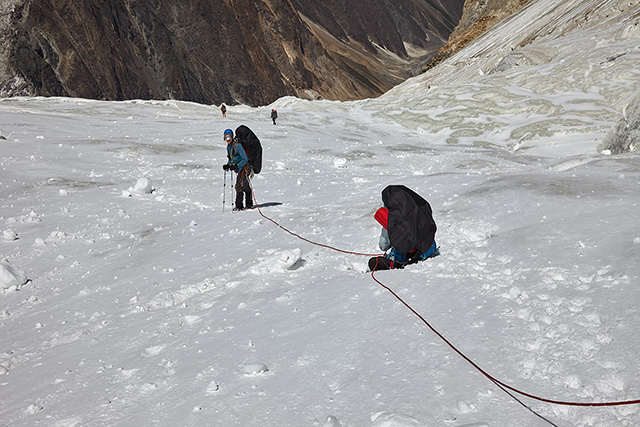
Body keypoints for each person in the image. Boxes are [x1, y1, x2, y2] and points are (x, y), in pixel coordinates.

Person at [368, 185, 439, 271]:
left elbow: (384, 245)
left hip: (408, 257)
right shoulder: (421, 207)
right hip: (428, 249)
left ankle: (396, 264)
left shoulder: (395, 216)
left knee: (373, 262)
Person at [222, 128, 254, 211]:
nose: (228, 139)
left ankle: (239, 206)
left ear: (232, 137)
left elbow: (245, 159)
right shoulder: (229, 147)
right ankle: (249, 204)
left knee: (239, 186)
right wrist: (228, 165)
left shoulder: (238, 146)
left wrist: (237, 166)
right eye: (226, 137)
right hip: (240, 168)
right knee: (245, 185)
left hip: (245, 167)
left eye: (229, 137)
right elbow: (231, 158)